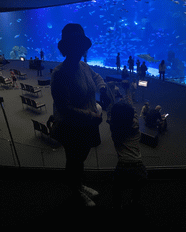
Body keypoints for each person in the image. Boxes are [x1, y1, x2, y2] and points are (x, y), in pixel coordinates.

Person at [51, 23, 107, 207]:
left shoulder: (83, 65)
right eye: (76, 44)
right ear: (68, 47)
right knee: (73, 160)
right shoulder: (60, 73)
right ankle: (76, 192)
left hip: (88, 124)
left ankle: (80, 185)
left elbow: (96, 76)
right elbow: (64, 108)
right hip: (72, 127)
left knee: (80, 158)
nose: (80, 48)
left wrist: (103, 89)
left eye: (81, 44)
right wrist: (92, 115)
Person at [108, 99, 147, 209]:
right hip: (138, 167)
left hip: (122, 166)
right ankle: (134, 203)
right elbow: (134, 116)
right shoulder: (136, 128)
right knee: (137, 188)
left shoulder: (114, 128)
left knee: (117, 188)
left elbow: (111, 117)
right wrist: (131, 106)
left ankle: (118, 205)